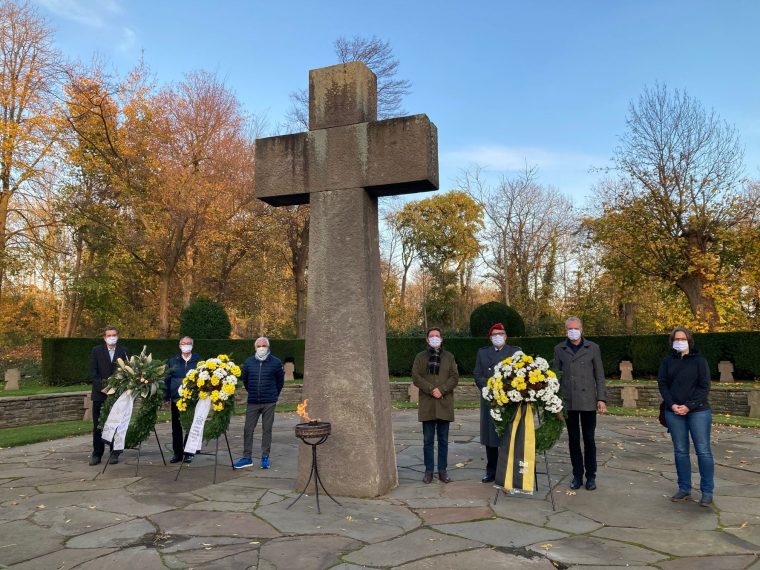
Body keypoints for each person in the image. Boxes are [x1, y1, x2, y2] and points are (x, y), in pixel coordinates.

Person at [658, 327, 714, 507]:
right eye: (676, 339)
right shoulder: (667, 361)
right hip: (674, 411)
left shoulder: (699, 361)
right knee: (681, 451)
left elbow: (704, 387)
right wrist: (673, 404)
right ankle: (684, 488)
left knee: (703, 450)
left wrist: (689, 406)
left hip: (698, 411)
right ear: (672, 341)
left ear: (689, 341)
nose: (679, 341)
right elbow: (663, 384)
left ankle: (707, 491)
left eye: (683, 339)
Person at [553, 316, 607, 491]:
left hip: (588, 400)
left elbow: (599, 374)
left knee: (589, 438)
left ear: (582, 329)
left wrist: (601, 398)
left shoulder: (593, 348)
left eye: (576, 328)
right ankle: (577, 475)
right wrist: (556, 400)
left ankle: (591, 476)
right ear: (565, 331)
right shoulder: (559, 349)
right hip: (568, 401)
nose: (573, 331)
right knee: (573, 439)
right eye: (570, 328)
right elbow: (556, 376)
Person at [412, 327, 460, 484]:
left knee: (443, 440)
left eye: (437, 336)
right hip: (428, 404)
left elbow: (454, 377)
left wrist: (442, 389)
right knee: (427, 440)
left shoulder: (449, 357)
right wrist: (431, 389)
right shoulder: (420, 357)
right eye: (431, 336)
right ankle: (428, 471)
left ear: (441, 338)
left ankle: (442, 470)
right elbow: (416, 376)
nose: (434, 338)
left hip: (444, 403)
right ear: (427, 339)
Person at [474, 323, 520, 483]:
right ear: (490, 337)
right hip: (490, 400)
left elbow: (519, 375)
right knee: (491, 438)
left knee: (508, 437)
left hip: (508, 401)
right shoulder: (483, 353)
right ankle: (491, 470)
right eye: (494, 334)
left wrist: (504, 389)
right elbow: (478, 375)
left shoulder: (515, 352)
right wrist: (491, 389)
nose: (497, 336)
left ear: (506, 336)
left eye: (500, 333)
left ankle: (508, 470)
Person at [233, 337, 285, 469]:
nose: (261, 348)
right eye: (259, 346)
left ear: (268, 347)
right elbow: (245, 380)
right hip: (253, 401)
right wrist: (253, 392)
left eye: (264, 345)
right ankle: (247, 457)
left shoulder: (276, 362)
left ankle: (265, 457)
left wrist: (273, 395)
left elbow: (280, 382)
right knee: (248, 429)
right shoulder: (249, 362)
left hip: (269, 402)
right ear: (255, 347)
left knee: (267, 429)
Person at [88, 326, 128, 465]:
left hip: (117, 393)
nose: (112, 337)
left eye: (114, 334)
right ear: (104, 337)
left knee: (116, 423)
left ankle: (114, 452)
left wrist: (116, 386)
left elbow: (127, 371)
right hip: (100, 393)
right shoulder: (96, 351)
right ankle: (97, 453)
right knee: (98, 424)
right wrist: (102, 387)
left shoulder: (123, 351)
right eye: (109, 335)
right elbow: (93, 372)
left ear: (118, 336)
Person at [163, 336, 200, 463]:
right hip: (176, 399)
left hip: (192, 399)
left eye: (188, 343)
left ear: (192, 345)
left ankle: (189, 452)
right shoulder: (173, 361)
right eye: (183, 343)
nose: (186, 345)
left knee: (191, 425)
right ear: (179, 346)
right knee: (176, 427)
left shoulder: (198, 361)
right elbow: (166, 380)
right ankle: (177, 453)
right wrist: (166, 396)